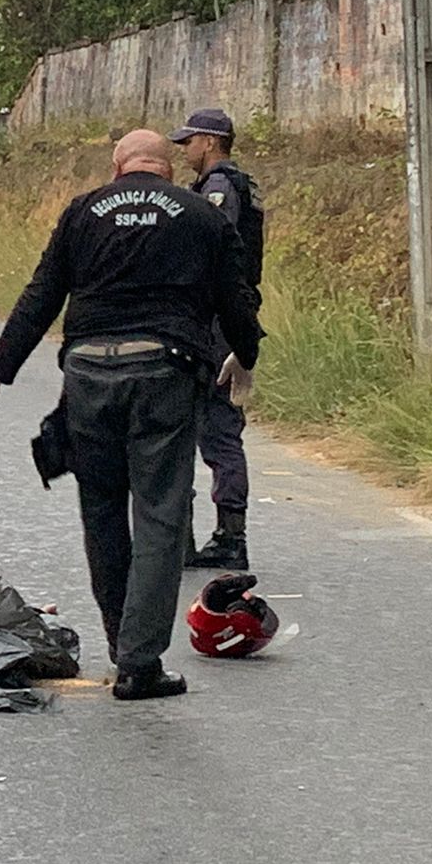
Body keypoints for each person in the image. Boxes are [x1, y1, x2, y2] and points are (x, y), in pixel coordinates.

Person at [0, 130, 261, 701]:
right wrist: (244, 356)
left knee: (102, 513)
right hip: (163, 374)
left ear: (117, 167)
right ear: (168, 170)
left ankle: (118, 638)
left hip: (88, 376)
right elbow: (236, 296)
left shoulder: (83, 210)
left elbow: (41, 294)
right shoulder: (200, 215)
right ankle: (139, 663)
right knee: (159, 516)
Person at [171, 108, 264, 570]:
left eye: (188, 142)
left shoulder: (219, 188)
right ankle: (223, 534)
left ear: (209, 141)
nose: (184, 150)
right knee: (214, 426)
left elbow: (209, 251)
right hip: (231, 319)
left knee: (213, 428)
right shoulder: (240, 184)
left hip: (215, 325)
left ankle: (226, 538)